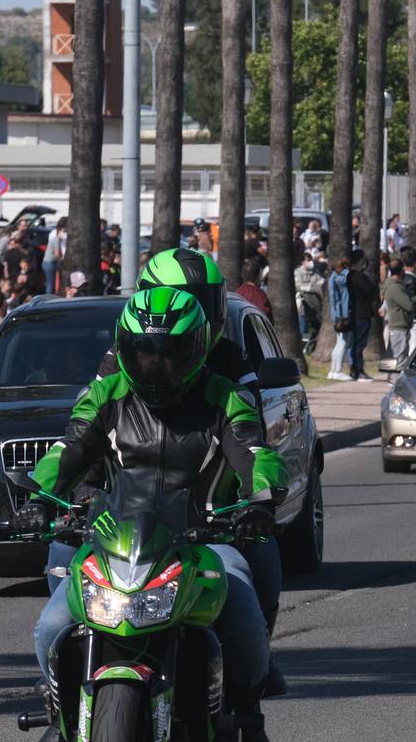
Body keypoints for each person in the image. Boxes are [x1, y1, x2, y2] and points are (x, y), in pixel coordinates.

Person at [17, 289, 287, 739]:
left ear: (199, 348)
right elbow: (69, 449)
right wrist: (39, 500)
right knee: (52, 625)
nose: (155, 366)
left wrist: (259, 502)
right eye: (143, 353)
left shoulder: (226, 397)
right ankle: (61, 711)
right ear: (124, 348)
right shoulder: (104, 395)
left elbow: (255, 452)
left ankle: (245, 710)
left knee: (240, 600)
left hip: (204, 537)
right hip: (114, 537)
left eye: (172, 353)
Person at [347, 250, 377, 381]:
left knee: (357, 343)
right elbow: (370, 290)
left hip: (357, 312)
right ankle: (358, 370)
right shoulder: (358, 277)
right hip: (361, 313)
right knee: (359, 343)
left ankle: (356, 368)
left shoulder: (350, 275)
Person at [382, 259, 414, 367]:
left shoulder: (393, 285)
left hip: (399, 325)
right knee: (399, 358)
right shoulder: (395, 288)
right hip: (399, 325)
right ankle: (395, 380)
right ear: (401, 271)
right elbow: (409, 305)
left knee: (399, 356)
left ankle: (394, 379)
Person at [327, 257, 355, 381]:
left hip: (336, 314)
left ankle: (333, 370)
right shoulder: (345, 277)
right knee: (344, 342)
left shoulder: (332, 277)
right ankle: (338, 370)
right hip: (344, 313)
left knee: (339, 343)